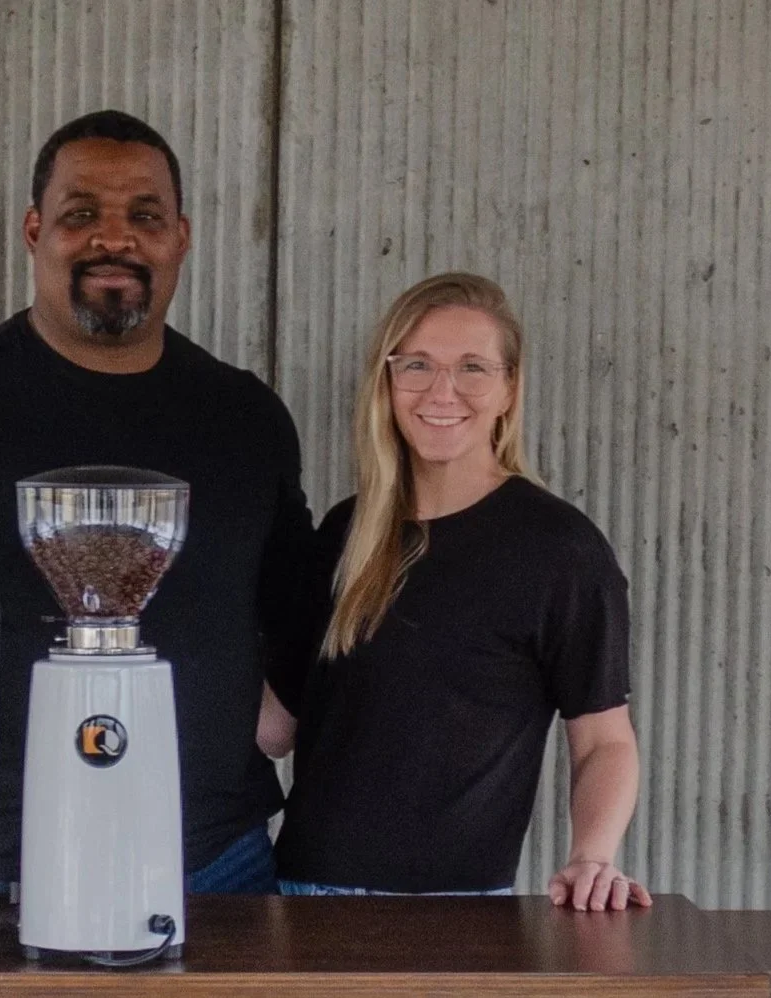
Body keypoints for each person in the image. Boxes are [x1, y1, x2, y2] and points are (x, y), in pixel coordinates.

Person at [0, 110, 313, 894]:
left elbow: (295, 609)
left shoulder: (245, 419)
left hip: (212, 863)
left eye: (143, 216)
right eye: (81, 214)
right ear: (34, 229)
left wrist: (261, 731)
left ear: (180, 237)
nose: (113, 239)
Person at [261, 272, 653, 911]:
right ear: (388, 383)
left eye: (472, 367)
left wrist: (592, 856)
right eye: (416, 365)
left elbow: (604, 739)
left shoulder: (560, 550)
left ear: (508, 388)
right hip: (307, 900)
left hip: (460, 911)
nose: (442, 391)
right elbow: (274, 726)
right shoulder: (345, 532)